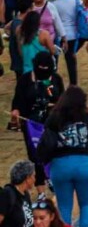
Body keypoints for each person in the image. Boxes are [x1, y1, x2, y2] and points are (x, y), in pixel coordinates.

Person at [44, 87, 88, 227]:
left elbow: (47, 139)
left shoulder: (54, 118)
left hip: (60, 164)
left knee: (64, 204)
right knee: (87, 203)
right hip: (84, 163)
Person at [11, 52, 64, 197]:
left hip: (52, 124)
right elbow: (17, 101)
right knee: (36, 156)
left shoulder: (56, 79)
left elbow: (62, 99)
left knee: (54, 152)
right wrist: (16, 111)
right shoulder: (25, 80)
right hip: (31, 126)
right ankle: (41, 190)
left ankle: (53, 177)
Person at [52, 0, 82, 87]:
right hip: (74, 34)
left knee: (54, 60)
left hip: (60, 35)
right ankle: (73, 84)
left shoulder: (54, 4)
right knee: (71, 61)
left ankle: (53, 82)